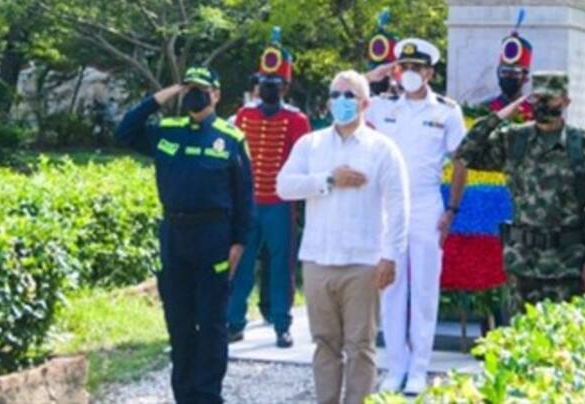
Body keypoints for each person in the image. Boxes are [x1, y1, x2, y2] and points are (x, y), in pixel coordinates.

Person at [114, 67, 253, 404]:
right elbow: (124, 131)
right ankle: (184, 394)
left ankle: (207, 395)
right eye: (190, 88)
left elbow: (244, 196)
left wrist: (239, 243)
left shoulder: (230, 138)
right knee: (179, 321)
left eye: (202, 89)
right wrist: (168, 93)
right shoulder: (168, 132)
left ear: (216, 95)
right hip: (175, 235)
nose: (196, 94)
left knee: (211, 322)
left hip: (214, 236)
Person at [277, 70, 409, 404]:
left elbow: (398, 206)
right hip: (319, 260)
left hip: (363, 262)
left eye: (349, 96)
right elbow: (284, 186)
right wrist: (327, 179)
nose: (341, 101)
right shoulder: (311, 144)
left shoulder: (382, 148)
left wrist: (391, 256)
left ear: (365, 103)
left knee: (360, 347)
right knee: (324, 344)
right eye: (335, 95)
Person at [454, 71, 585, 317]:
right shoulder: (514, 140)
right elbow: (464, 154)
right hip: (522, 264)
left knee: (562, 345)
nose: (542, 105)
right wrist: (497, 117)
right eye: (537, 98)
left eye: (549, 99)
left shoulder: (583, 145)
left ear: (565, 102)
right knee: (517, 343)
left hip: (567, 266)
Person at [365, 38, 467, 395]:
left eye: (416, 68)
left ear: (430, 72)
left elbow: (460, 161)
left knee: (424, 288)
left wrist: (452, 209)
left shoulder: (446, 111)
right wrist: (374, 74)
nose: (410, 74)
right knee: (391, 287)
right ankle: (396, 367)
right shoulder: (382, 106)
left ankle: (420, 367)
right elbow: (347, 100)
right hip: (390, 206)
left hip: (426, 204)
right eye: (404, 67)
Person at [228, 30, 310, 347]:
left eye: (274, 84)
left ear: (285, 87)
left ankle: (281, 324)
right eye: (264, 82)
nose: (269, 88)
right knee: (243, 264)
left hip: (280, 203)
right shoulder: (244, 115)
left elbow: (302, 162)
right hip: (249, 204)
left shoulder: (297, 119)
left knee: (280, 266)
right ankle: (234, 321)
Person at [479, 12, 534, 121]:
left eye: (514, 73)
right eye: (504, 72)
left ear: (525, 77)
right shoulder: (486, 108)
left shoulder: (534, 111)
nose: (508, 76)